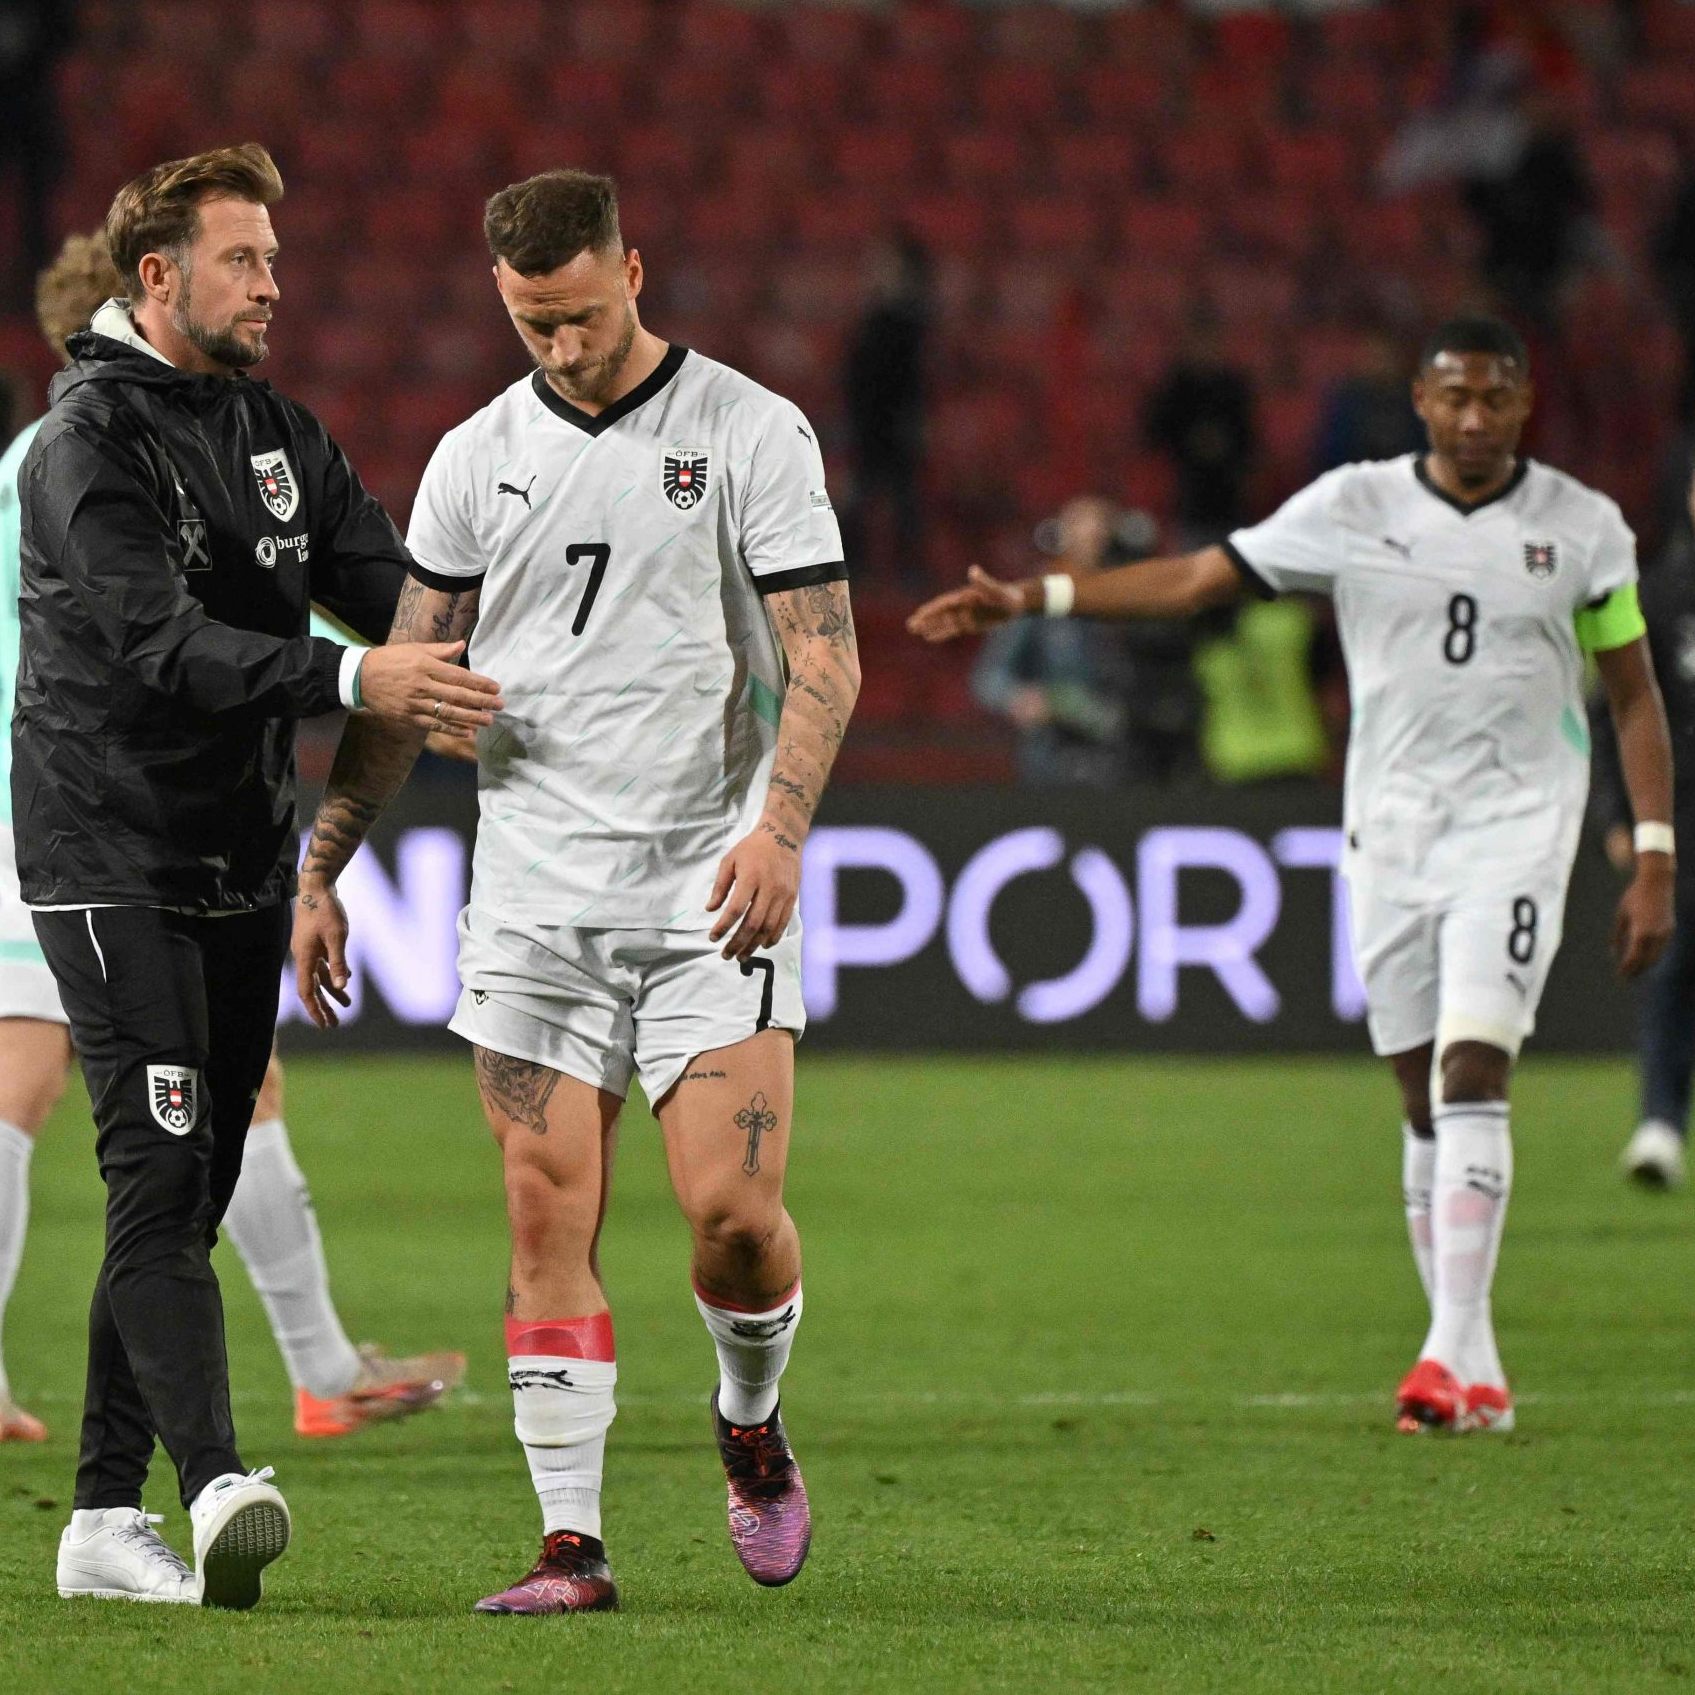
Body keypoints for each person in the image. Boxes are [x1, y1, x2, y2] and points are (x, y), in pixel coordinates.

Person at [911, 315, 1675, 1437]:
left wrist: (1654, 851)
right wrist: (1039, 598)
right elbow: (1194, 580)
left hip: (1518, 827)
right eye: (1453, 396)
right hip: (1389, 832)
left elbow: (1633, 691)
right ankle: (1481, 1370)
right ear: (1421, 398)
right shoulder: (1356, 506)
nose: (1473, 417)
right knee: (1421, 1098)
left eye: (1494, 399)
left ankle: (1442, 1351)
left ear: (1525, 405)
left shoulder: (1585, 528)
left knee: (1474, 1069)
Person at [292, 167, 859, 1616]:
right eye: (534, 323)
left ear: (634, 269)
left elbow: (824, 652)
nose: (562, 347)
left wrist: (779, 829)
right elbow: (409, 674)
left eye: (583, 315)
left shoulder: (745, 429)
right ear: (502, 298)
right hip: (535, 890)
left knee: (729, 1212)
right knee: (542, 1205)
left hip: (703, 882)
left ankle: (746, 1416)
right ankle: (570, 1545)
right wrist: (322, 860)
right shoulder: (477, 456)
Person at [14, 144, 501, 1609]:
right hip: (112, 859)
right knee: (158, 1169)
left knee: (186, 1187)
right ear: (156, 276)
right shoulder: (83, 446)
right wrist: (360, 668)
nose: (274, 282)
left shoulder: (275, 429)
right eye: (244, 259)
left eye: (274, 259)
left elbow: (403, 590)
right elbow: (164, 646)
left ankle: (101, 1517)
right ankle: (216, 1477)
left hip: (238, 859)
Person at [1591, 463, 1695, 1188]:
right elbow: (1615, 709)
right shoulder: (1656, 593)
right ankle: (1658, 1124)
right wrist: (1620, 813)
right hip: (1680, 815)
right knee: (1671, 971)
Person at [841, 233, 930, 586]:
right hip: (869, 425)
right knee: (865, 501)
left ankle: (907, 571)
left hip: (895, 425)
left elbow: (912, 381)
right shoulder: (875, 320)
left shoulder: (909, 323)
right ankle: (856, 569)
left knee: (900, 501)